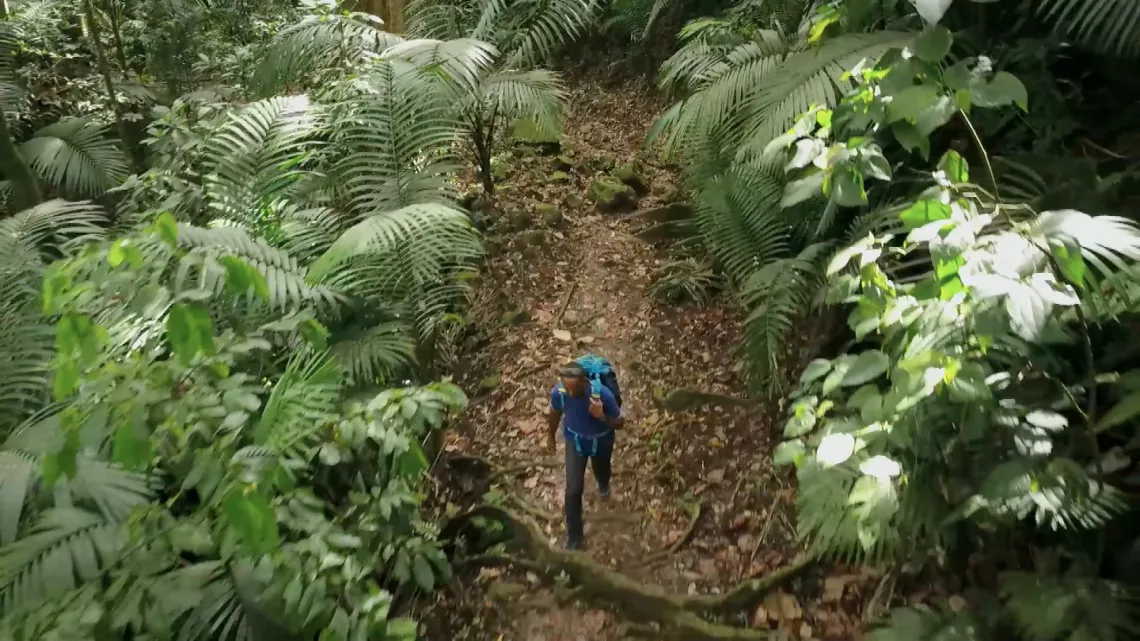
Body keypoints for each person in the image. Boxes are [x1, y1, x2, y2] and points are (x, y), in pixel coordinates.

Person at [545, 361, 623, 550]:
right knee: (572, 490)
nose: (571, 394)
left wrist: (602, 415)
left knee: (602, 470)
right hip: (575, 441)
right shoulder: (560, 393)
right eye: (567, 389)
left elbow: (621, 423)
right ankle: (575, 536)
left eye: (575, 389)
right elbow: (555, 413)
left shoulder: (602, 394)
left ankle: (603, 483)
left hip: (601, 441)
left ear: (583, 381)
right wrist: (550, 436)